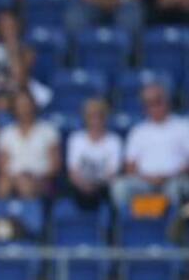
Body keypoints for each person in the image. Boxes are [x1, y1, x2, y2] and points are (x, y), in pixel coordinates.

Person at [113, 82, 189, 212]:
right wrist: (148, 178)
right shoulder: (138, 131)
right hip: (145, 181)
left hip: (175, 179)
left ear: (167, 102)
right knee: (120, 186)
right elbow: (130, 165)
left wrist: (169, 176)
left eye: (158, 101)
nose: (154, 107)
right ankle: (130, 222)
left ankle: (174, 223)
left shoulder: (183, 127)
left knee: (176, 188)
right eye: (149, 103)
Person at [0, 88, 61, 199]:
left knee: (26, 186)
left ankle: (31, 209)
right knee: (2, 185)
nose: (24, 109)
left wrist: (36, 177)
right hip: (13, 177)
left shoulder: (48, 131)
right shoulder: (6, 133)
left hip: (41, 179)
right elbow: (2, 166)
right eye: (20, 105)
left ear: (33, 106)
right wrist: (17, 178)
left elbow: (55, 165)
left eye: (27, 105)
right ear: (14, 108)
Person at [65, 97, 123, 209]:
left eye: (99, 116)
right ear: (85, 118)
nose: (96, 120)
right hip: (79, 186)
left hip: (103, 187)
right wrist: (83, 184)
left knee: (117, 188)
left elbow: (113, 172)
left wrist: (96, 185)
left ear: (105, 118)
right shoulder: (76, 139)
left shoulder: (114, 141)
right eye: (91, 116)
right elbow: (73, 171)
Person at [0, 9, 36, 113]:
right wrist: (0, 82)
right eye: (3, 24)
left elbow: (20, 80)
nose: (7, 28)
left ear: (18, 26)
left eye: (10, 25)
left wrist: (13, 52)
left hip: (17, 95)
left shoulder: (27, 52)